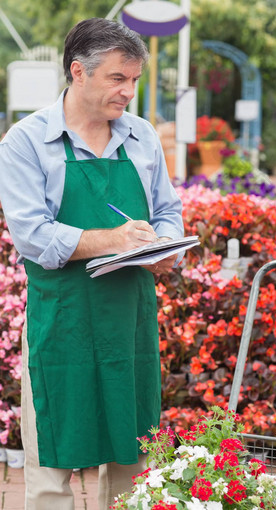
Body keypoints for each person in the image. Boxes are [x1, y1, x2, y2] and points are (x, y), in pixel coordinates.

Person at [0, 17, 184, 510]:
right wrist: (114, 240)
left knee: (133, 458)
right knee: (53, 462)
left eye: (134, 81)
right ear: (78, 72)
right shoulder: (25, 142)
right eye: (117, 79)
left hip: (129, 318)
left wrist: (162, 246)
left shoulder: (142, 136)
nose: (128, 92)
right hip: (63, 321)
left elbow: (166, 209)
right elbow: (33, 235)